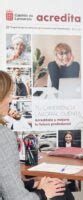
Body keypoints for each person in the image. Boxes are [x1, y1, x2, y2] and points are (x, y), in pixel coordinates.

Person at [0, 70, 74, 200]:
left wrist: (34, 182)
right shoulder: (3, 135)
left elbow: (5, 183)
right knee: (61, 192)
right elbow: (16, 197)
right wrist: (43, 193)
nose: (11, 99)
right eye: (8, 94)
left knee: (57, 187)